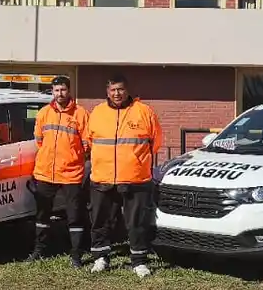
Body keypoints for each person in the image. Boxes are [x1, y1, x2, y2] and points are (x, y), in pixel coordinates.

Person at [85, 73, 163, 278]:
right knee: (100, 220)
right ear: (107, 92)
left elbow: (156, 143)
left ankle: (139, 261)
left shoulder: (144, 111)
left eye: (120, 89)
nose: (116, 93)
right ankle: (100, 257)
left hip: (135, 178)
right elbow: (90, 141)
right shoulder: (97, 113)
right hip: (102, 178)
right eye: (112, 90)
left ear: (127, 90)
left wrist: (135, 161)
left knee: (136, 222)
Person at [30, 75, 91, 264]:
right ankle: (40, 250)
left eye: (63, 89)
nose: (59, 93)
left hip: (71, 173)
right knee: (42, 214)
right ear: (52, 91)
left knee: (74, 215)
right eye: (56, 90)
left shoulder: (80, 114)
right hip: (45, 172)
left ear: (69, 90)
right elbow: (39, 141)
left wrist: (72, 157)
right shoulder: (43, 113)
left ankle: (76, 254)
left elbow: (87, 144)